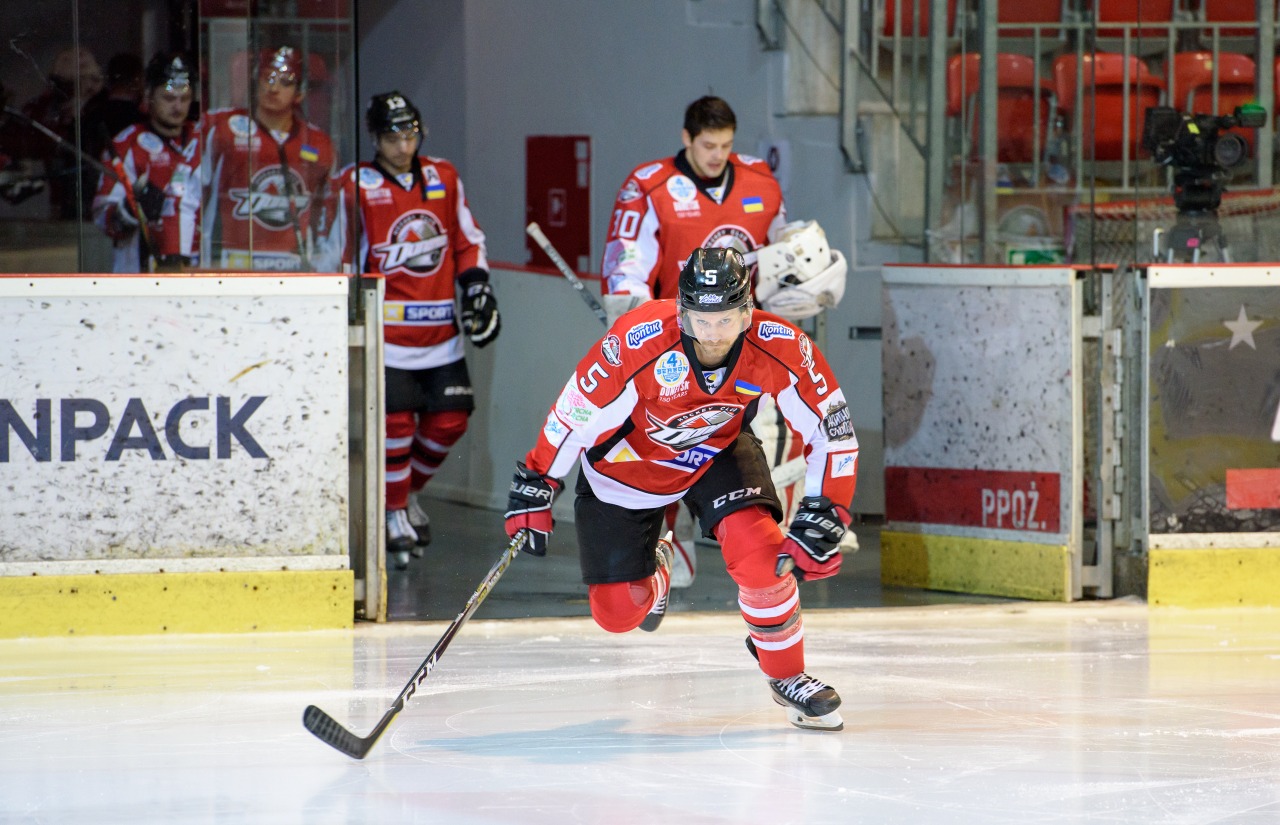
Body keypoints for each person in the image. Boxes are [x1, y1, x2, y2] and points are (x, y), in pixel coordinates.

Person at [504, 247, 858, 731]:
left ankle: (787, 674)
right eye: (701, 320)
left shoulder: (782, 345)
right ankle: (659, 569)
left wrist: (828, 508)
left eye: (726, 320)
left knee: (762, 557)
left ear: (747, 312)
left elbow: (831, 429)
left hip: (717, 451)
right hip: (629, 468)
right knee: (616, 614)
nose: (713, 334)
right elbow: (576, 412)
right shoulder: (638, 338)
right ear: (681, 311)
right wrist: (539, 479)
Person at [599, 95, 847, 587]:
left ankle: (774, 556)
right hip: (676, 354)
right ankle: (666, 547)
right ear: (687, 138)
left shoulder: (760, 181)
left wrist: (801, 282)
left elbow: (784, 255)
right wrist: (627, 320)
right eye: (708, 145)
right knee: (667, 447)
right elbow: (626, 265)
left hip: (745, 348)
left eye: (725, 145)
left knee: (762, 447)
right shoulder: (648, 187)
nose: (717, 155)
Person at [325, 91, 500, 570]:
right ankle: (393, 510)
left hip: (441, 335)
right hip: (387, 337)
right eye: (393, 138)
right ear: (374, 138)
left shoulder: (444, 176)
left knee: (451, 421)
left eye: (410, 135)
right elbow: (338, 254)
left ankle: (403, 495)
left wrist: (478, 288)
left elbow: (467, 240)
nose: (403, 147)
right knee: (397, 423)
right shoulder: (353, 185)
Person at [202, 45, 335, 271]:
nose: (273, 88)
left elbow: (327, 212)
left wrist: (321, 265)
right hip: (226, 265)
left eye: (285, 82)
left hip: (293, 268)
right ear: (256, 82)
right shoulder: (222, 128)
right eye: (268, 78)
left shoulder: (318, 143)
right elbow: (192, 196)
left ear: (300, 93)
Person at [91, 52, 200, 272]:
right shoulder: (127, 144)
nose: (178, 107)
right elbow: (103, 219)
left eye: (185, 98)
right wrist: (130, 210)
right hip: (141, 276)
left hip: (198, 273)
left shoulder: (204, 139)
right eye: (168, 98)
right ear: (149, 95)